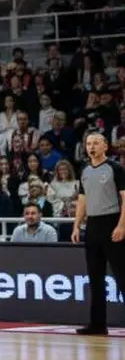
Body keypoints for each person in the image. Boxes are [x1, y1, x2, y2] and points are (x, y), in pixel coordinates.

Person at [72, 132, 125, 334]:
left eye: (95, 143)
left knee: (122, 275)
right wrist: (77, 225)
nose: (91, 147)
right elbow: (82, 199)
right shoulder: (84, 169)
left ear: (105, 146)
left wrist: (122, 226)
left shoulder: (115, 168)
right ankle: (97, 324)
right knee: (95, 277)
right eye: (88, 143)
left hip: (112, 222)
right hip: (92, 225)